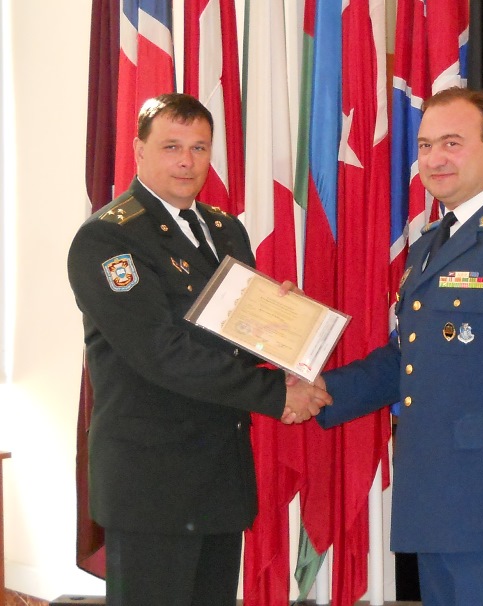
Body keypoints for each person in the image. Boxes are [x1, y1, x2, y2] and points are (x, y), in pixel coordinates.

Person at [308, 87, 483, 605]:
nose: (435, 158)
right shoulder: (432, 243)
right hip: (435, 504)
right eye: (425, 145)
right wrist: (321, 389)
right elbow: (409, 358)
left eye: (452, 143)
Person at [67, 93, 330, 606]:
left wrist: (282, 326)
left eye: (199, 147)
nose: (187, 161)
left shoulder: (224, 229)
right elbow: (161, 352)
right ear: (139, 150)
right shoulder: (108, 239)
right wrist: (277, 394)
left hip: (219, 478)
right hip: (153, 486)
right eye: (171, 146)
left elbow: (233, 339)